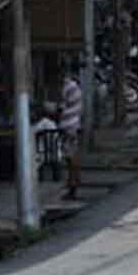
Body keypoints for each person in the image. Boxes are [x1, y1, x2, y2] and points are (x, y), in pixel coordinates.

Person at [60, 63, 83, 199]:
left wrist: (57, 110)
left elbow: (67, 108)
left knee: (71, 157)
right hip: (71, 125)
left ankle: (73, 184)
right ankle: (73, 183)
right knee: (70, 157)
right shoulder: (70, 87)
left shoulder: (70, 87)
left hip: (70, 125)